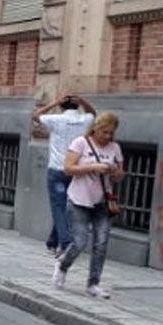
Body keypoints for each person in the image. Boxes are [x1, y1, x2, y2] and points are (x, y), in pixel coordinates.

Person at [54, 112, 124, 298]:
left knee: (101, 243)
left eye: (111, 133)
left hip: (102, 202)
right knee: (80, 242)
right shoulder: (81, 143)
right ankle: (63, 265)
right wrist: (93, 167)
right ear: (96, 128)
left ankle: (93, 284)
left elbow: (120, 174)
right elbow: (68, 169)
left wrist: (114, 171)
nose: (107, 136)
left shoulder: (115, 148)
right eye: (104, 132)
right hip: (79, 200)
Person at [33, 92, 97, 257]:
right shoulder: (85, 120)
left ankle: (66, 243)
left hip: (57, 169)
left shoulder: (56, 120)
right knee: (67, 207)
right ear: (77, 105)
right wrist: (83, 100)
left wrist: (54, 102)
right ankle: (52, 242)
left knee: (58, 207)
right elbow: (94, 114)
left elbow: (36, 115)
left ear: (62, 106)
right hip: (76, 170)